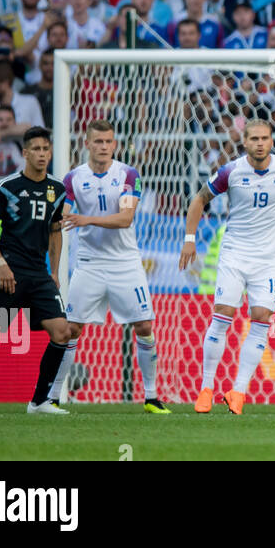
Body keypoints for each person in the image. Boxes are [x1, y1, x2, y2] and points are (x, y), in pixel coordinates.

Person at [178, 119, 275, 415]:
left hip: (269, 259)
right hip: (234, 254)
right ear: (244, 142)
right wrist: (189, 239)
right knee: (223, 316)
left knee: (261, 319)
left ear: (272, 141)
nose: (260, 143)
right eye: (254, 138)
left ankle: (238, 392)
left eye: (265, 138)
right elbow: (199, 199)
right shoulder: (230, 171)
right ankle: (206, 388)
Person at [0, 127, 71, 415]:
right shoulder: (7, 186)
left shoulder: (57, 190)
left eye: (46, 149)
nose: (42, 154)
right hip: (9, 272)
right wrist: (1, 264)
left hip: (39, 274)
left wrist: (54, 272)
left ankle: (39, 401)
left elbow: (56, 231)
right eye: (36, 149)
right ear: (25, 153)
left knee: (61, 331)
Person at [53, 120, 167, 412]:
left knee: (143, 325)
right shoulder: (73, 179)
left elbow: (125, 219)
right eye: (98, 142)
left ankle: (151, 397)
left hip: (125, 262)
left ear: (114, 144)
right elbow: (61, 218)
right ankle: (52, 396)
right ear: (87, 144)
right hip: (89, 263)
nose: (103, 147)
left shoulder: (128, 174)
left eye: (108, 142)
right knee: (70, 329)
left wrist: (85, 219)